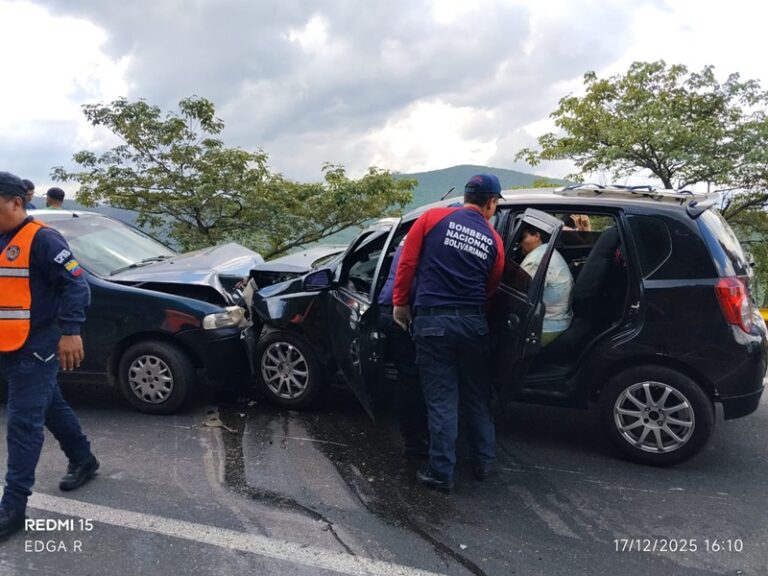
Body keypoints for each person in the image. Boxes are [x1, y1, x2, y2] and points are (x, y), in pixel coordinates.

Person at [0, 171, 98, 541]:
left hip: (38, 344)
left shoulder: (42, 239)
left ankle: (13, 506)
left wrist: (71, 332)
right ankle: (84, 459)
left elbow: (76, 284)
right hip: (7, 344)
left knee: (23, 422)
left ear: (16, 203)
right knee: (50, 405)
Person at [392, 173, 505, 493]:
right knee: (476, 396)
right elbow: (492, 286)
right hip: (473, 323)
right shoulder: (494, 239)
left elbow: (406, 263)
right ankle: (483, 461)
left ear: (468, 196)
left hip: (434, 324)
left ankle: (441, 473)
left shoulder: (432, 217)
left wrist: (400, 304)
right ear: (491, 203)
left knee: (442, 400)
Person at [377, 240, 428, 458]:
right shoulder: (435, 237)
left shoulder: (413, 235)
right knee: (411, 375)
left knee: (407, 374)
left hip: (389, 306)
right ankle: (414, 441)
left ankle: (414, 438)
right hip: (401, 310)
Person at [519, 224, 574, 345]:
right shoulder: (548, 252)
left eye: (523, 237)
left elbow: (520, 298)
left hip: (546, 327)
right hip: (560, 320)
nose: (520, 243)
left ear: (537, 236)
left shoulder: (536, 261)